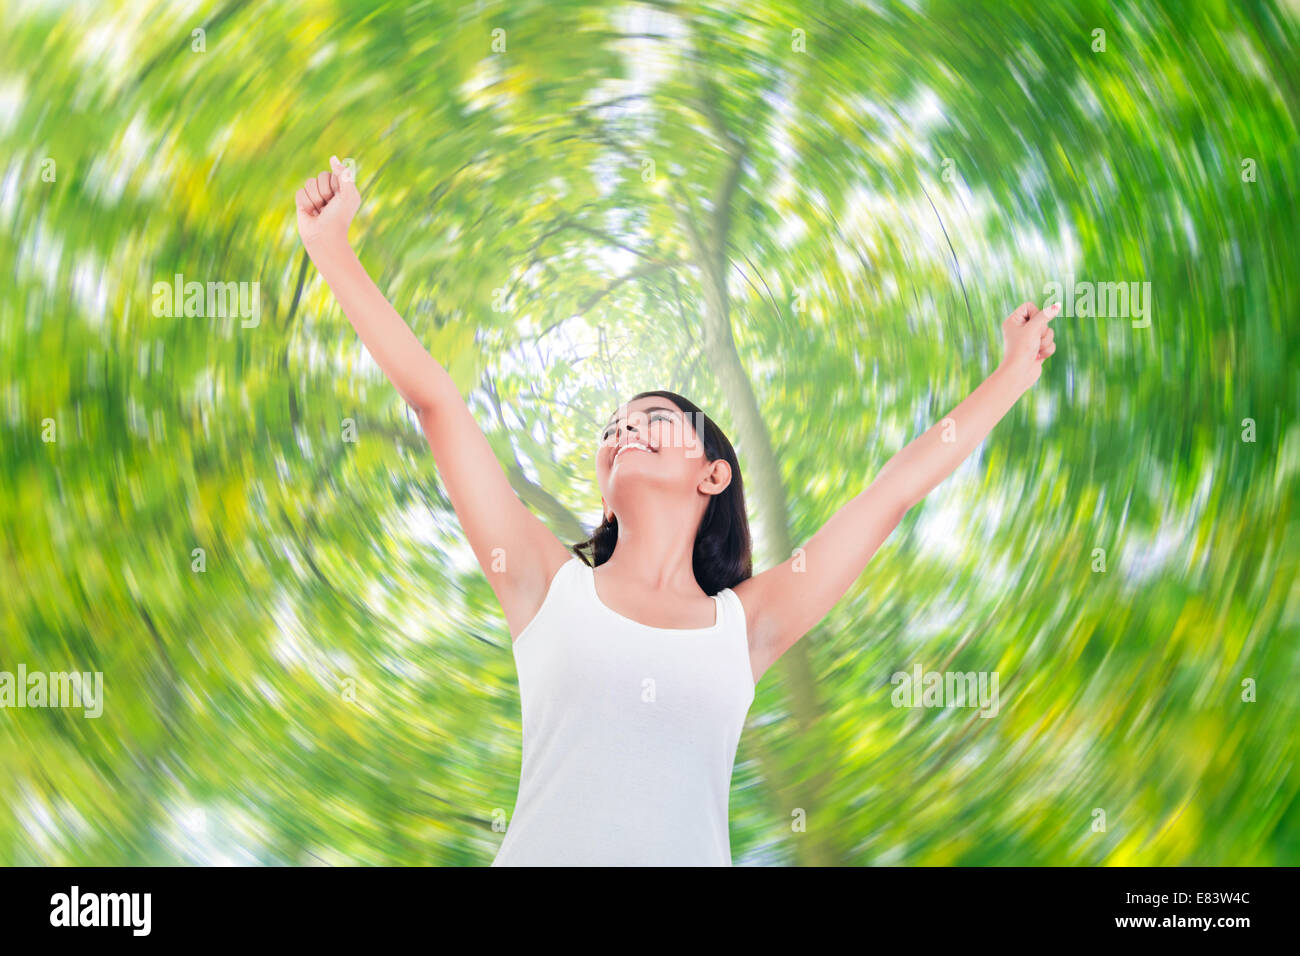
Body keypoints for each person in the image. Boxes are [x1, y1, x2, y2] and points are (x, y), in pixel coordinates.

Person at [294, 156, 1058, 866]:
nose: (623, 430)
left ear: (714, 474)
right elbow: (436, 401)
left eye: (651, 417)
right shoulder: (543, 585)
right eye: (612, 428)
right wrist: (332, 249)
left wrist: (1012, 378)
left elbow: (891, 493)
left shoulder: (745, 627)